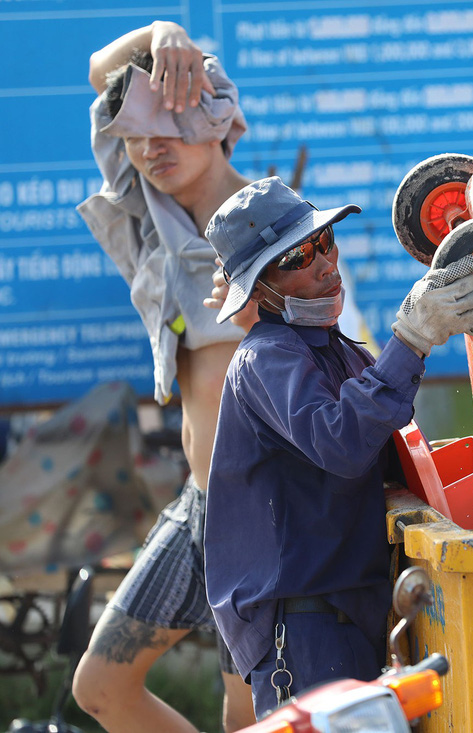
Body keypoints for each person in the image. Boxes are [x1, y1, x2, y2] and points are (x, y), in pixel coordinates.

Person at [202, 176, 473, 717]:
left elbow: (387, 454)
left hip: (348, 614)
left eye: (325, 241)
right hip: (305, 627)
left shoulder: (340, 353)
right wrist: (412, 338)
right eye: (297, 258)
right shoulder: (266, 358)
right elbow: (344, 442)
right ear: (260, 289)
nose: (324, 263)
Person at [73, 21, 256, 732]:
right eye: (139, 134)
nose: (153, 147)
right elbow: (99, 74)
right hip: (200, 501)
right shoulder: (156, 218)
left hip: (265, 512)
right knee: (100, 687)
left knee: (249, 717)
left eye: (173, 125)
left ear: (220, 122)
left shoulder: (279, 228)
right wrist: (161, 33)